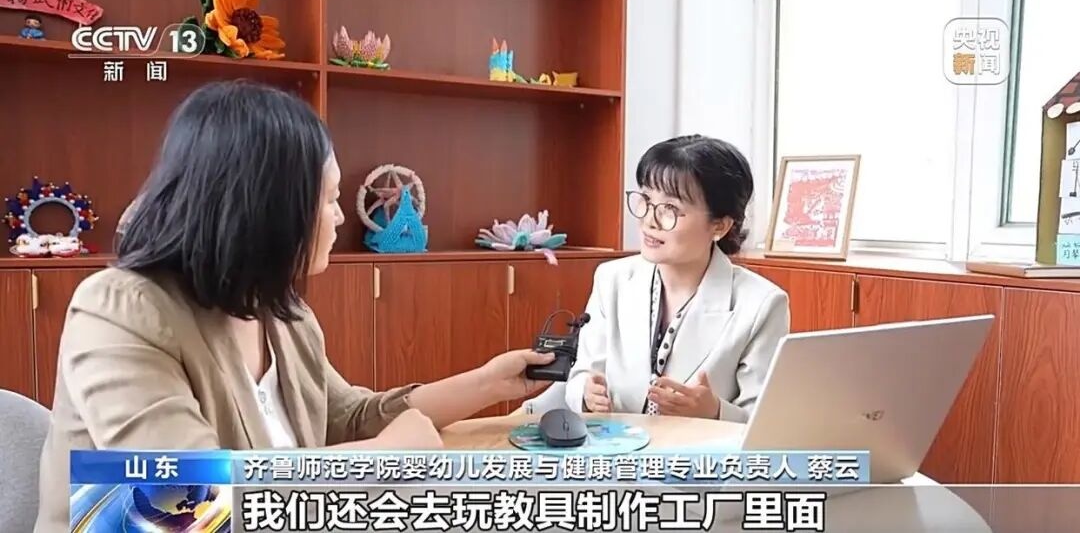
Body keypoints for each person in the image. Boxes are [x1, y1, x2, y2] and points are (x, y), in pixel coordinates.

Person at [34, 80, 555, 531]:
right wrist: (386, 457)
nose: (338, 217)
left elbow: (348, 418)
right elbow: (185, 507)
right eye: (328, 199)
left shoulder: (281, 312)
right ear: (266, 207)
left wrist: (487, 384)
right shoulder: (119, 311)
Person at [564, 135, 790, 422]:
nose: (650, 220)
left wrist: (715, 412)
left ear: (719, 225)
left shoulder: (762, 304)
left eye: (670, 209)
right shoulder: (612, 279)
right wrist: (586, 395)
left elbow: (765, 420)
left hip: (701, 450)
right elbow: (581, 374)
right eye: (646, 200)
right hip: (615, 444)